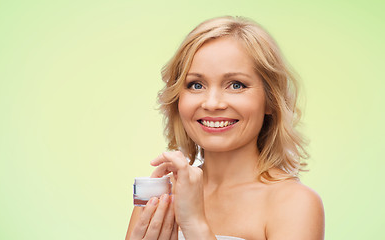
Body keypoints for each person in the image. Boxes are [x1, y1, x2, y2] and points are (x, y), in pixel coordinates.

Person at [126, 16, 325, 240]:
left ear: (270, 100)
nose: (212, 103)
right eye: (196, 85)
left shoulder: (295, 203)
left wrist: (195, 224)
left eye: (236, 85)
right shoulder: (160, 196)